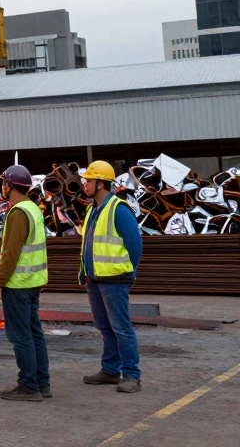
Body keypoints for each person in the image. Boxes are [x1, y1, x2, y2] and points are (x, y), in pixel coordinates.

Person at [78, 160, 143, 393]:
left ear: (101, 184)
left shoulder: (119, 209)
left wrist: (127, 272)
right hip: (95, 279)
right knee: (105, 327)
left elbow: (134, 245)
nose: (85, 184)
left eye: (89, 180)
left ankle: (132, 375)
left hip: (114, 280)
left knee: (121, 328)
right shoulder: (93, 209)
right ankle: (110, 370)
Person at [0, 165, 51, 401]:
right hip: (34, 282)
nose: (3, 187)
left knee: (20, 335)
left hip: (19, 285)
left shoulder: (17, 213)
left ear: (10, 186)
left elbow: (10, 254)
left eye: (4, 183)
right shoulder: (33, 209)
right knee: (34, 333)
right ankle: (41, 383)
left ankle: (28, 386)